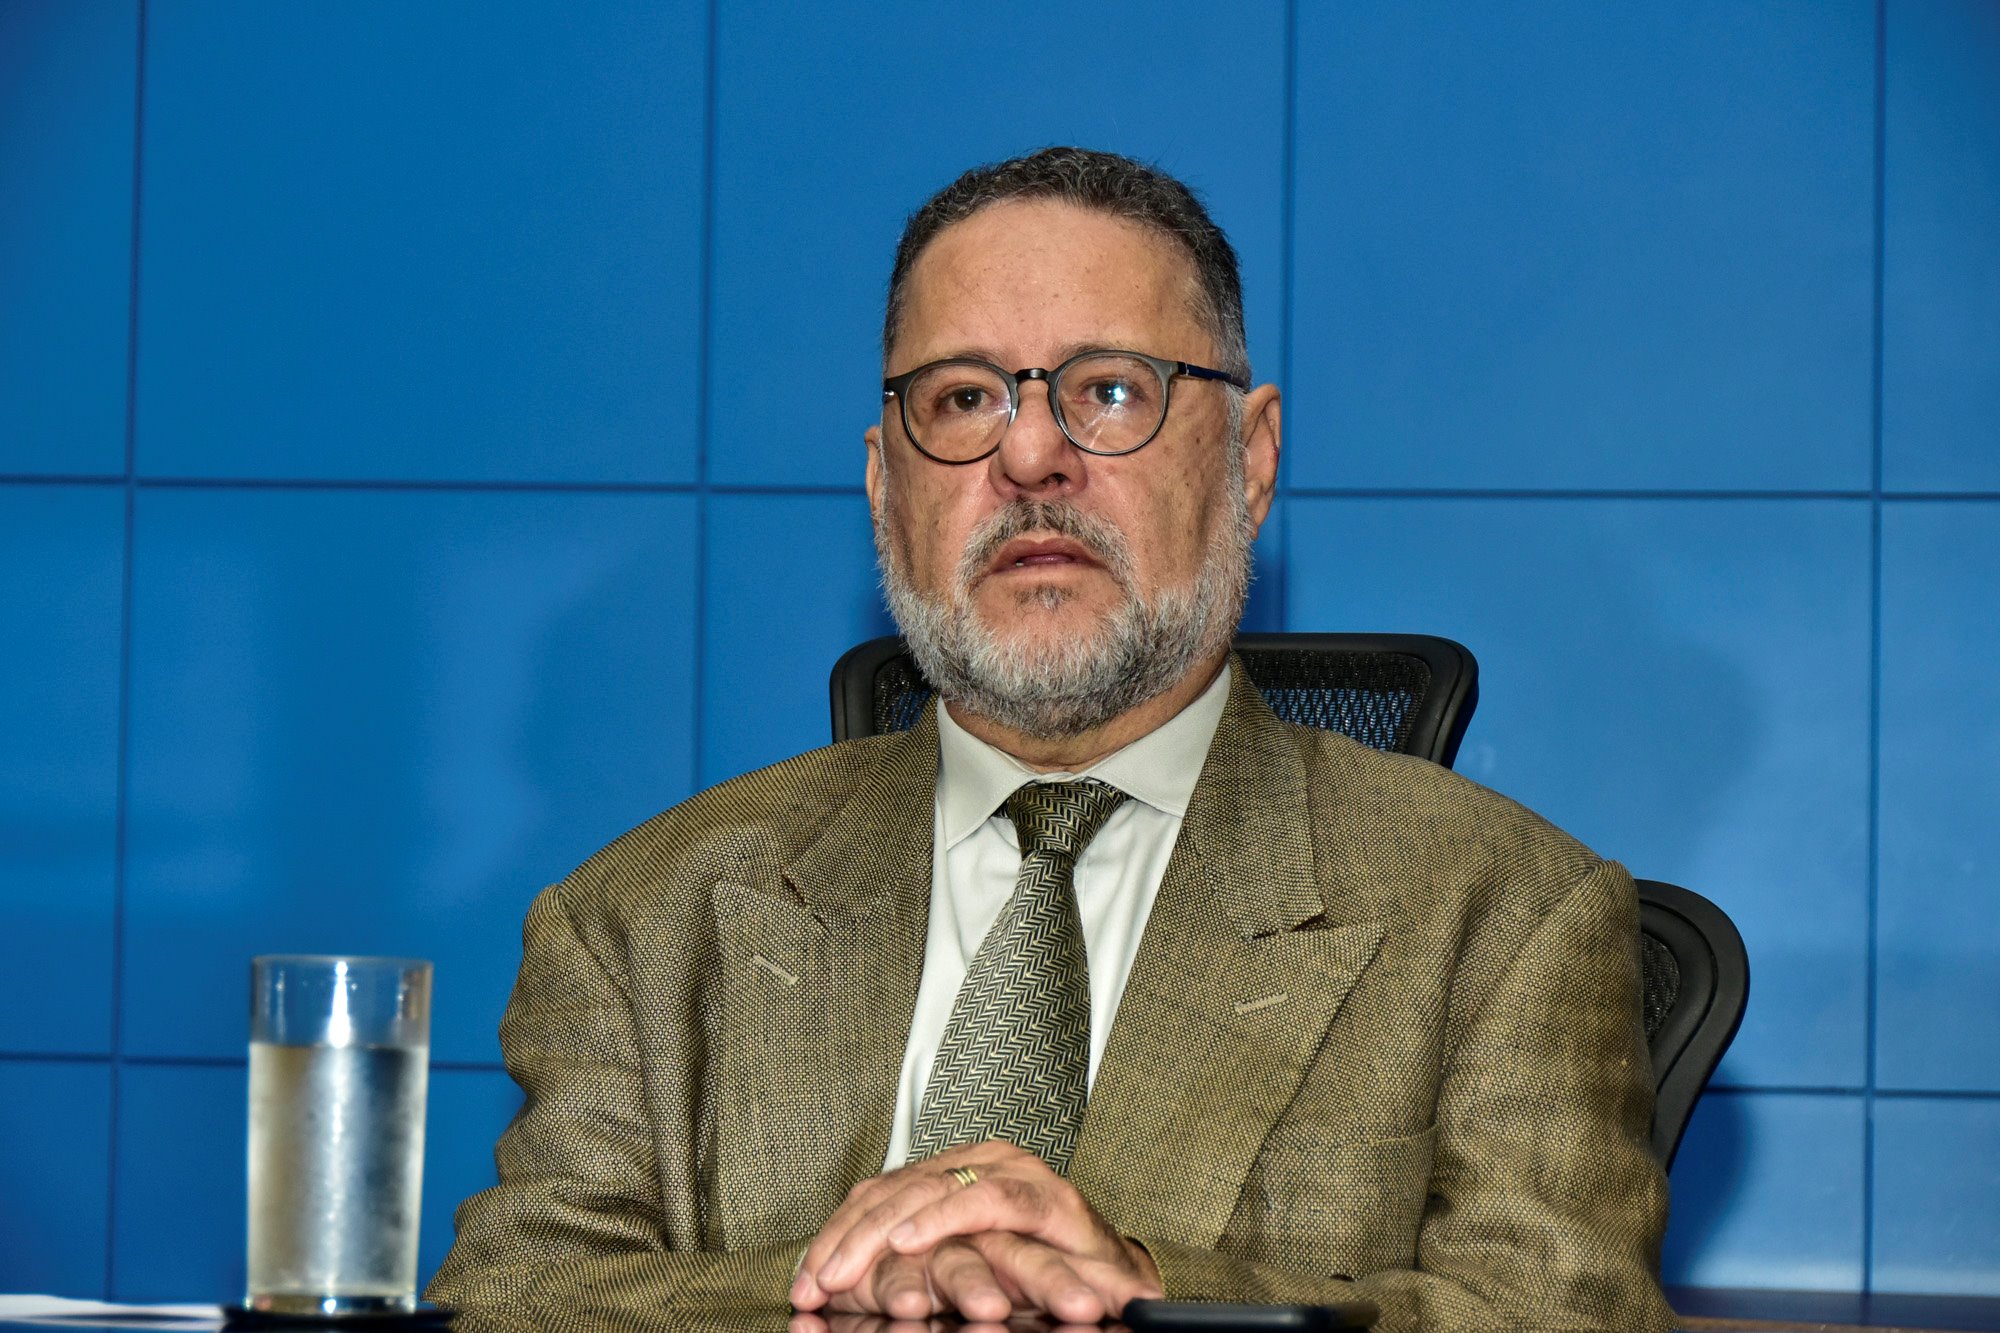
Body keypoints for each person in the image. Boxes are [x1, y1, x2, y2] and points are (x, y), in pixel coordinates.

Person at [429, 147, 1674, 1333]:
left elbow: (1564, 1315)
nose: (1029, 455)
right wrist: (882, 1286)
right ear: (883, 487)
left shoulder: (1503, 915)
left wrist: (1145, 1287)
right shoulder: (641, 924)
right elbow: (514, 1301)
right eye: (962, 399)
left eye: (1108, 391)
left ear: (1248, 462)